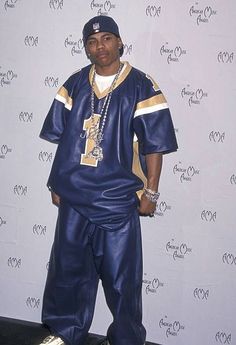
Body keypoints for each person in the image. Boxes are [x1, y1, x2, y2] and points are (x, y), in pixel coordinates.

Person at [39, 15, 178, 345]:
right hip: (74, 198)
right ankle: (64, 332)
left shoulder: (141, 84)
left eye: (106, 39)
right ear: (86, 48)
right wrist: (56, 184)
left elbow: (153, 144)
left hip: (116, 200)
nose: (99, 46)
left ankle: (127, 339)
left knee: (122, 278)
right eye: (92, 41)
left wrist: (152, 192)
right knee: (68, 272)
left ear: (119, 42)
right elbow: (64, 139)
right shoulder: (74, 83)